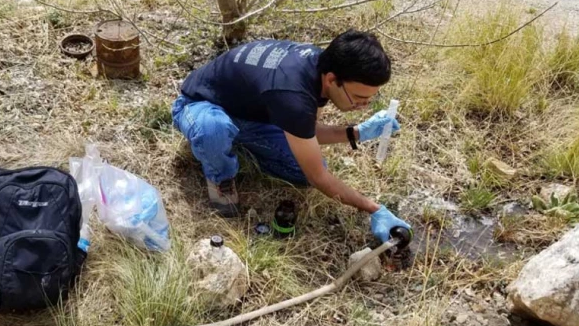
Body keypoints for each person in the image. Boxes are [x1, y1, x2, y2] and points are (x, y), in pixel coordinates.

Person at [171, 29, 411, 243]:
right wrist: (373, 209)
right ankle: (220, 175)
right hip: (201, 105)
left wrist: (355, 132)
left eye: (370, 99)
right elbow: (319, 177)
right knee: (214, 130)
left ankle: (236, 142)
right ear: (331, 80)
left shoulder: (323, 64)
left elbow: (306, 129)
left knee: (300, 172)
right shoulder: (292, 93)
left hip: (252, 115)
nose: (363, 106)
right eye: (359, 98)